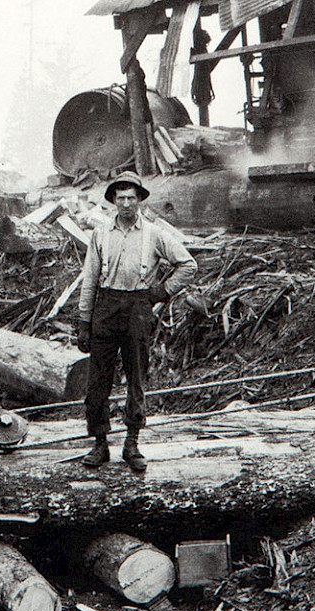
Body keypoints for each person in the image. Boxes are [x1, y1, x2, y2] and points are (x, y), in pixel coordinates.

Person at [75, 172, 196, 472]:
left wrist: (161, 291)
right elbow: (89, 280)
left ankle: (132, 442)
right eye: (120, 198)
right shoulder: (101, 233)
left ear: (140, 200)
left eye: (131, 198)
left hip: (137, 310)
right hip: (106, 307)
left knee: (137, 377)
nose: (126, 204)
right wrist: (83, 321)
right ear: (113, 201)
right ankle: (100, 443)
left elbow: (188, 264)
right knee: (98, 380)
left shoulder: (154, 234)